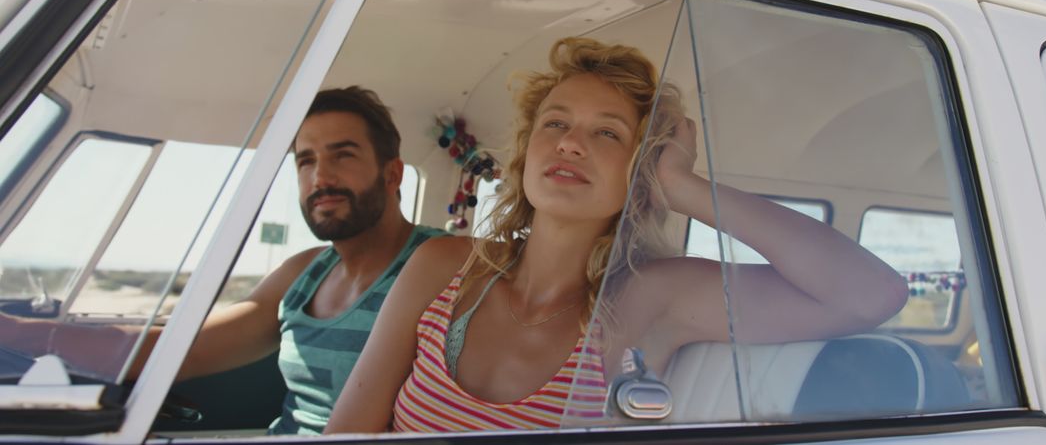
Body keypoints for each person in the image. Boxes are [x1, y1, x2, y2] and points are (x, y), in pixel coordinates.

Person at [323, 37, 909, 433]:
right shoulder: (444, 266)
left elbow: (870, 294)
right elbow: (345, 435)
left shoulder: (649, 299)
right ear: (528, 155)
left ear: (640, 172)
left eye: (606, 134)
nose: (571, 143)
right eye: (555, 124)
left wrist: (683, 186)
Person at [0, 86, 444, 435]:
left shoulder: (443, 266)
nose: (320, 177)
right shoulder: (303, 273)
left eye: (342, 156)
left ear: (393, 173)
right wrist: (19, 332)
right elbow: (183, 351)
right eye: (305, 161)